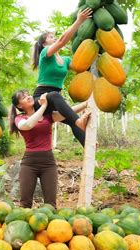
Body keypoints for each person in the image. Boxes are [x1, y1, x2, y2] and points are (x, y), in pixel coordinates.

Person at [9, 90, 89, 208]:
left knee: (51, 205)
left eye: (28, 95)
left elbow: (68, 112)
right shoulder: (20, 119)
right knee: (25, 204)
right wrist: (44, 106)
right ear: (19, 106)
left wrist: (86, 104)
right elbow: (28, 125)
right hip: (29, 164)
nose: (29, 97)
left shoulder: (47, 116)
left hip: (48, 163)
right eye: (24, 97)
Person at [31, 7, 93, 147]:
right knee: (56, 98)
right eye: (51, 37)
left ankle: (90, 148)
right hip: (41, 99)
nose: (55, 38)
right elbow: (61, 41)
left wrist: (93, 46)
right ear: (44, 43)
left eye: (54, 36)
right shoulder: (45, 54)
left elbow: (81, 67)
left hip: (56, 101)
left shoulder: (65, 60)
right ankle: (78, 121)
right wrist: (79, 22)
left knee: (71, 122)